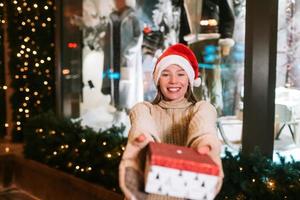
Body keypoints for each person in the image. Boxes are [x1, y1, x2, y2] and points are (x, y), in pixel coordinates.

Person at [119, 43, 223, 199]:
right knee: (139, 112)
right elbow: (141, 121)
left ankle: (207, 163)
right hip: (150, 194)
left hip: (189, 191)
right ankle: (138, 159)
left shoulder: (201, 109)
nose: (173, 81)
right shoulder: (146, 109)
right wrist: (141, 139)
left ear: (189, 80)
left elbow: (204, 125)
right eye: (166, 74)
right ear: (158, 80)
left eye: (181, 74)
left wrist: (205, 142)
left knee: (206, 115)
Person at [101, 0, 144, 113]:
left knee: (127, 87)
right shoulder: (112, 18)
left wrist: (127, 53)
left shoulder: (133, 16)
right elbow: (107, 39)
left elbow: (138, 37)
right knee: (115, 84)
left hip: (126, 59)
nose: (117, 2)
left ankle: (128, 114)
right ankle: (118, 112)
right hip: (113, 58)